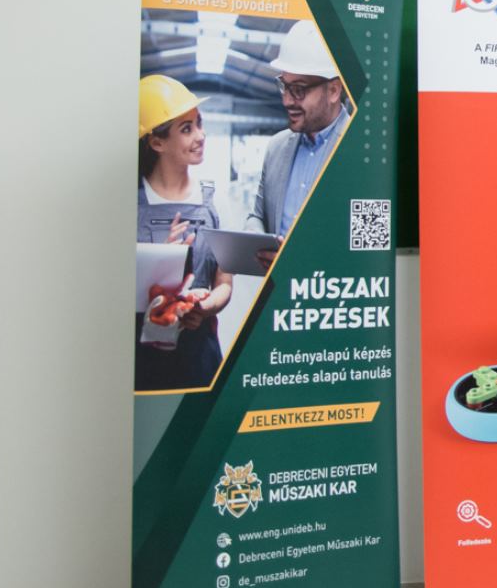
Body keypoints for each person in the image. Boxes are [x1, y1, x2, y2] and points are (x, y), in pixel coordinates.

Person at [135, 75, 234, 391]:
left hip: (200, 359)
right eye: (187, 129)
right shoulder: (129, 206)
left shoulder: (214, 202)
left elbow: (224, 283)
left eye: (199, 124)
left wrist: (204, 308)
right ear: (157, 142)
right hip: (141, 363)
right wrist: (159, 264)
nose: (201, 136)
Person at [246, 19, 350, 264]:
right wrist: (257, 240)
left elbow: (370, 240)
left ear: (334, 90)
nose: (287, 101)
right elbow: (257, 216)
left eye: (299, 89)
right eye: (284, 86)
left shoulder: (360, 149)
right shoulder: (276, 147)